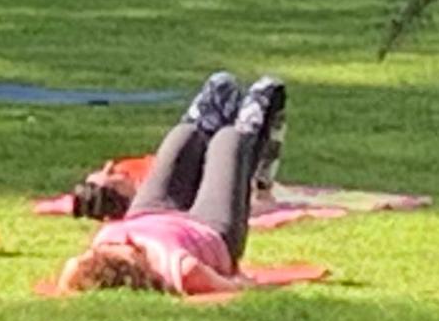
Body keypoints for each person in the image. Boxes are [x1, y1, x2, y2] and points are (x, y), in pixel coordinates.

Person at [54, 73, 286, 295]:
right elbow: (228, 286)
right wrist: (241, 283)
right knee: (228, 142)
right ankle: (257, 138)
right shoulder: (175, 266)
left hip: (149, 212)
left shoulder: (102, 249)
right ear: (135, 266)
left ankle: (223, 102)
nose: (126, 240)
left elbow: (72, 269)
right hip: (209, 229)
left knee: (186, 133)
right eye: (129, 249)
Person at [64, 70, 286, 221]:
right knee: (270, 89)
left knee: (222, 83)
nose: (111, 166)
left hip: (196, 143)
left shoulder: (134, 175)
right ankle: (262, 181)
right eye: (109, 175)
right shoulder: (161, 198)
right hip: (225, 160)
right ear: (119, 195)